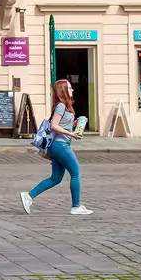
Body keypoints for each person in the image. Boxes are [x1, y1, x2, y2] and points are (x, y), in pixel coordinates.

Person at [19, 78, 88, 216]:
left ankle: (28, 196)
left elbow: (61, 124)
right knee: (76, 173)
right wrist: (71, 133)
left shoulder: (65, 106)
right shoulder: (61, 106)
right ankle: (76, 206)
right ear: (63, 90)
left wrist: (75, 123)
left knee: (56, 178)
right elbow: (54, 126)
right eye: (69, 88)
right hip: (60, 145)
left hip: (60, 145)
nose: (72, 90)